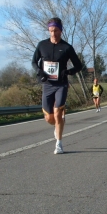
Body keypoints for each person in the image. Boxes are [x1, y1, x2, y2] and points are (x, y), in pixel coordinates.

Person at [31, 17, 82, 154]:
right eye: (51, 31)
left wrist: (68, 72)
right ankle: (58, 125)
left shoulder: (66, 47)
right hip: (47, 84)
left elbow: (79, 65)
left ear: (61, 30)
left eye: (56, 30)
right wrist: (39, 72)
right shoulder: (42, 45)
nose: (53, 34)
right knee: (49, 117)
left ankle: (59, 144)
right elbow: (34, 62)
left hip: (61, 84)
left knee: (58, 112)